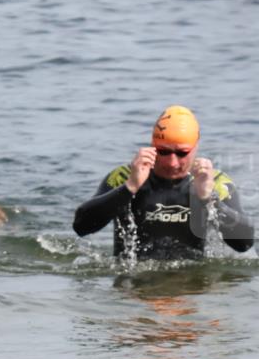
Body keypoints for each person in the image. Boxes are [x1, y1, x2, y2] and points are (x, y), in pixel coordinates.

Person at [73, 105, 253, 260]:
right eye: (163, 151)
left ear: (196, 146)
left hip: (191, 289)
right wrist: (130, 188)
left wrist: (207, 199)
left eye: (182, 153)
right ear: (152, 145)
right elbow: (81, 227)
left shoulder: (214, 181)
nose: (172, 162)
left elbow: (244, 243)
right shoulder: (125, 176)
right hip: (134, 291)